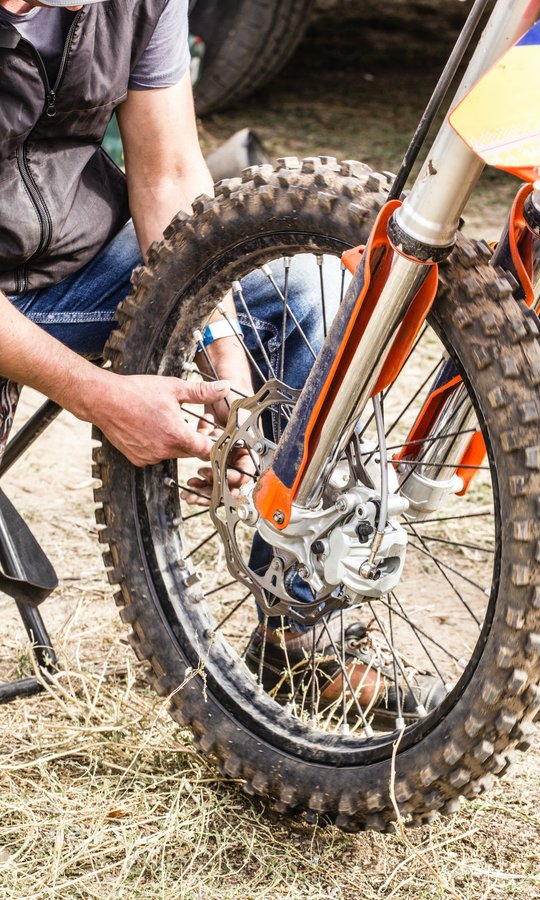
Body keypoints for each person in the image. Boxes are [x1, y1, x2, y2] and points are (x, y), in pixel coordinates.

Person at [0, 0, 442, 721]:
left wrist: (232, 375)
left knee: (310, 292)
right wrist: (96, 395)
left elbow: (170, 176)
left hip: (85, 256)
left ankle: (301, 634)